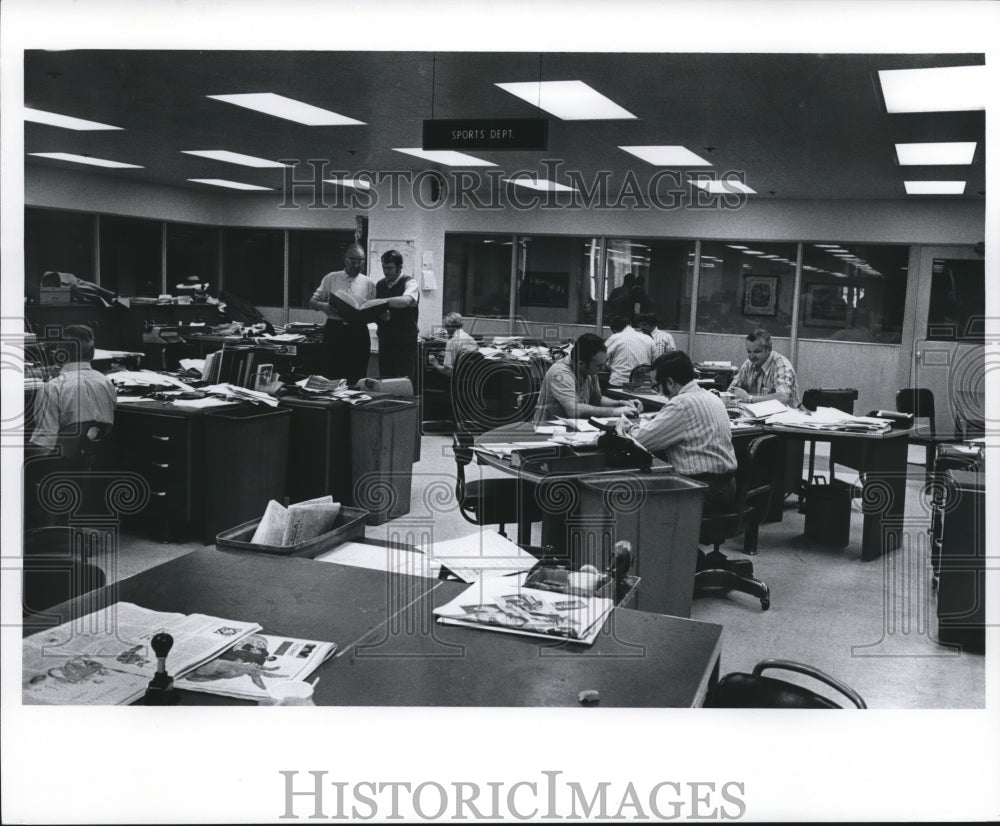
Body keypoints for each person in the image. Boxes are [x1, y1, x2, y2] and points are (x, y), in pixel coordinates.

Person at [626, 350, 738, 512]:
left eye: (656, 386)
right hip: (726, 487)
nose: (657, 391)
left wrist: (626, 425)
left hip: (702, 492)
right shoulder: (711, 397)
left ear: (670, 383)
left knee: (634, 496)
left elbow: (639, 441)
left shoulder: (681, 403)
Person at [29, 324, 116, 453]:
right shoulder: (106, 382)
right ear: (92, 352)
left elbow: (44, 448)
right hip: (96, 460)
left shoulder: (52, 388)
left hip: (59, 464)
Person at [534, 333, 641, 424]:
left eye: (604, 363)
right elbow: (574, 410)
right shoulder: (560, 373)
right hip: (548, 428)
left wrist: (621, 403)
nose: (603, 368)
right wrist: (614, 411)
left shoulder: (589, 370)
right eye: (599, 366)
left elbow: (597, 400)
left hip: (576, 426)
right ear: (581, 363)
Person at [309, 244, 375, 384]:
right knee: (332, 372)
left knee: (357, 373)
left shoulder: (369, 283)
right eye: (353, 260)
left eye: (361, 260)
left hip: (359, 332)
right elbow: (313, 301)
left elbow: (373, 307)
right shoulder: (331, 278)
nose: (357, 264)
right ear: (345, 259)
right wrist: (323, 306)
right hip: (336, 329)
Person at [374, 249, 420, 386]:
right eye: (383, 267)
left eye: (390, 268)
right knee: (385, 382)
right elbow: (375, 309)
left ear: (399, 268)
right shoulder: (380, 284)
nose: (386, 272)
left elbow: (406, 301)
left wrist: (382, 303)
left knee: (403, 384)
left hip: (405, 344)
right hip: (386, 342)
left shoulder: (410, 283)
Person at [727, 328, 801, 408]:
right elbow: (731, 390)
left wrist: (749, 398)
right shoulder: (749, 364)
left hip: (786, 417)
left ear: (769, 349)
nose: (751, 356)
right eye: (749, 352)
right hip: (756, 415)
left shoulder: (781, 365)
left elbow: (783, 398)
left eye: (757, 352)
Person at [604, 315, 654, 386]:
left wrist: (609, 364)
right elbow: (655, 363)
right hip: (641, 384)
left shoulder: (614, 338)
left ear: (615, 331)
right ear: (629, 325)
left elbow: (602, 359)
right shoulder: (648, 339)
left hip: (619, 382)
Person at [432, 312, 477, 379]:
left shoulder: (452, 342)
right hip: (470, 379)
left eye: (446, 326)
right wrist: (448, 355)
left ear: (450, 327)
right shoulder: (471, 339)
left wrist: (435, 363)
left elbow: (448, 372)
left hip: (457, 381)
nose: (446, 330)